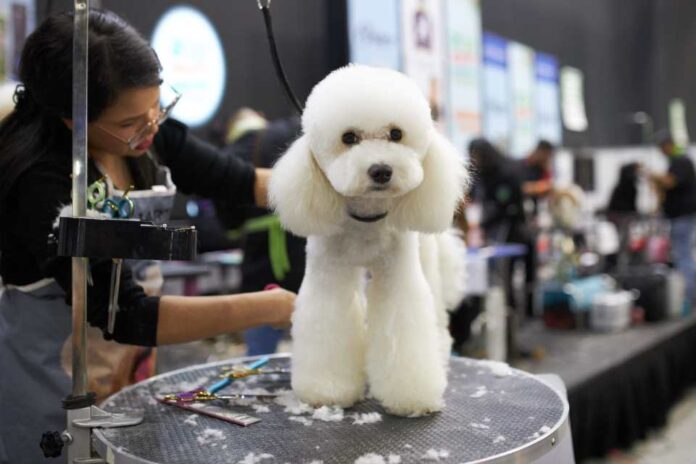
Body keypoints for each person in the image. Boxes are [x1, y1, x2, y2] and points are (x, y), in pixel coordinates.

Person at [0, 10, 294, 464]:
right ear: (71, 118)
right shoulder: (43, 184)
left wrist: (348, 189)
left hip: (128, 376)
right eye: (130, 121)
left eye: (158, 108)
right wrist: (271, 307)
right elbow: (126, 315)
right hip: (53, 390)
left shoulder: (147, 137)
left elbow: (239, 180)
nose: (150, 127)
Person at [218, 109, 305, 356]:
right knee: (315, 340)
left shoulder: (228, 157)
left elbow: (230, 225)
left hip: (259, 264)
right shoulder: (289, 133)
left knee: (259, 351)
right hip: (304, 251)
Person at [468, 138, 535, 315]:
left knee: (509, 274)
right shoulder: (480, 174)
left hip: (511, 228)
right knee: (495, 274)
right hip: (490, 228)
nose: (475, 159)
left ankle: (514, 311)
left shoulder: (507, 173)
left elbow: (508, 205)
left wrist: (485, 223)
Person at [649, 134, 696, 308]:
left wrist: (653, 176)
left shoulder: (680, 161)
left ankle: (690, 297)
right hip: (680, 216)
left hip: (683, 216)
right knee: (684, 254)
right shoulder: (676, 161)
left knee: (683, 255)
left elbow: (669, 182)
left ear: (668, 145)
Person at [519, 140, 555, 209]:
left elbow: (549, 186)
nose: (548, 159)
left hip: (534, 209)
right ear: (541, 152)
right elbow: (522, 188)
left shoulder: (541, 168)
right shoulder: (523, 165)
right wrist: (537, 187)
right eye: (547, 155)